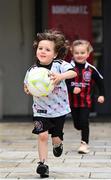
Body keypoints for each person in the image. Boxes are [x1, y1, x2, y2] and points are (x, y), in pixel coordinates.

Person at [24, 29, 77, 178]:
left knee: (55, 137)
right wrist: (28, 89)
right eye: (40, 48)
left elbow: (73, 73)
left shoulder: (59, 64)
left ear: (54, 54)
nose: (43, 51)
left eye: (47, 49)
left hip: (58, 109)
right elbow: (26, 86)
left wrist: (60, 77)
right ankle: (42, 164)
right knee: (42, 136)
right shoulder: (32, 70)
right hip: (40, 110)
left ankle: (58, 144)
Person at [66, 40, 105, 154]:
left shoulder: (91, 69)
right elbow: (63, 83)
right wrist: (72, 89)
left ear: (88, 54)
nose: (79, 55)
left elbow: (100, 82)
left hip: (86, 101)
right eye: (77, 53)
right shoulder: (68, 68)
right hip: (72, 102)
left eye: (82, 52)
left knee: (84, 121)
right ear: (72, 53)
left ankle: (84, 143)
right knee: (77, 125)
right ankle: (80, 127)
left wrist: (101, 94)